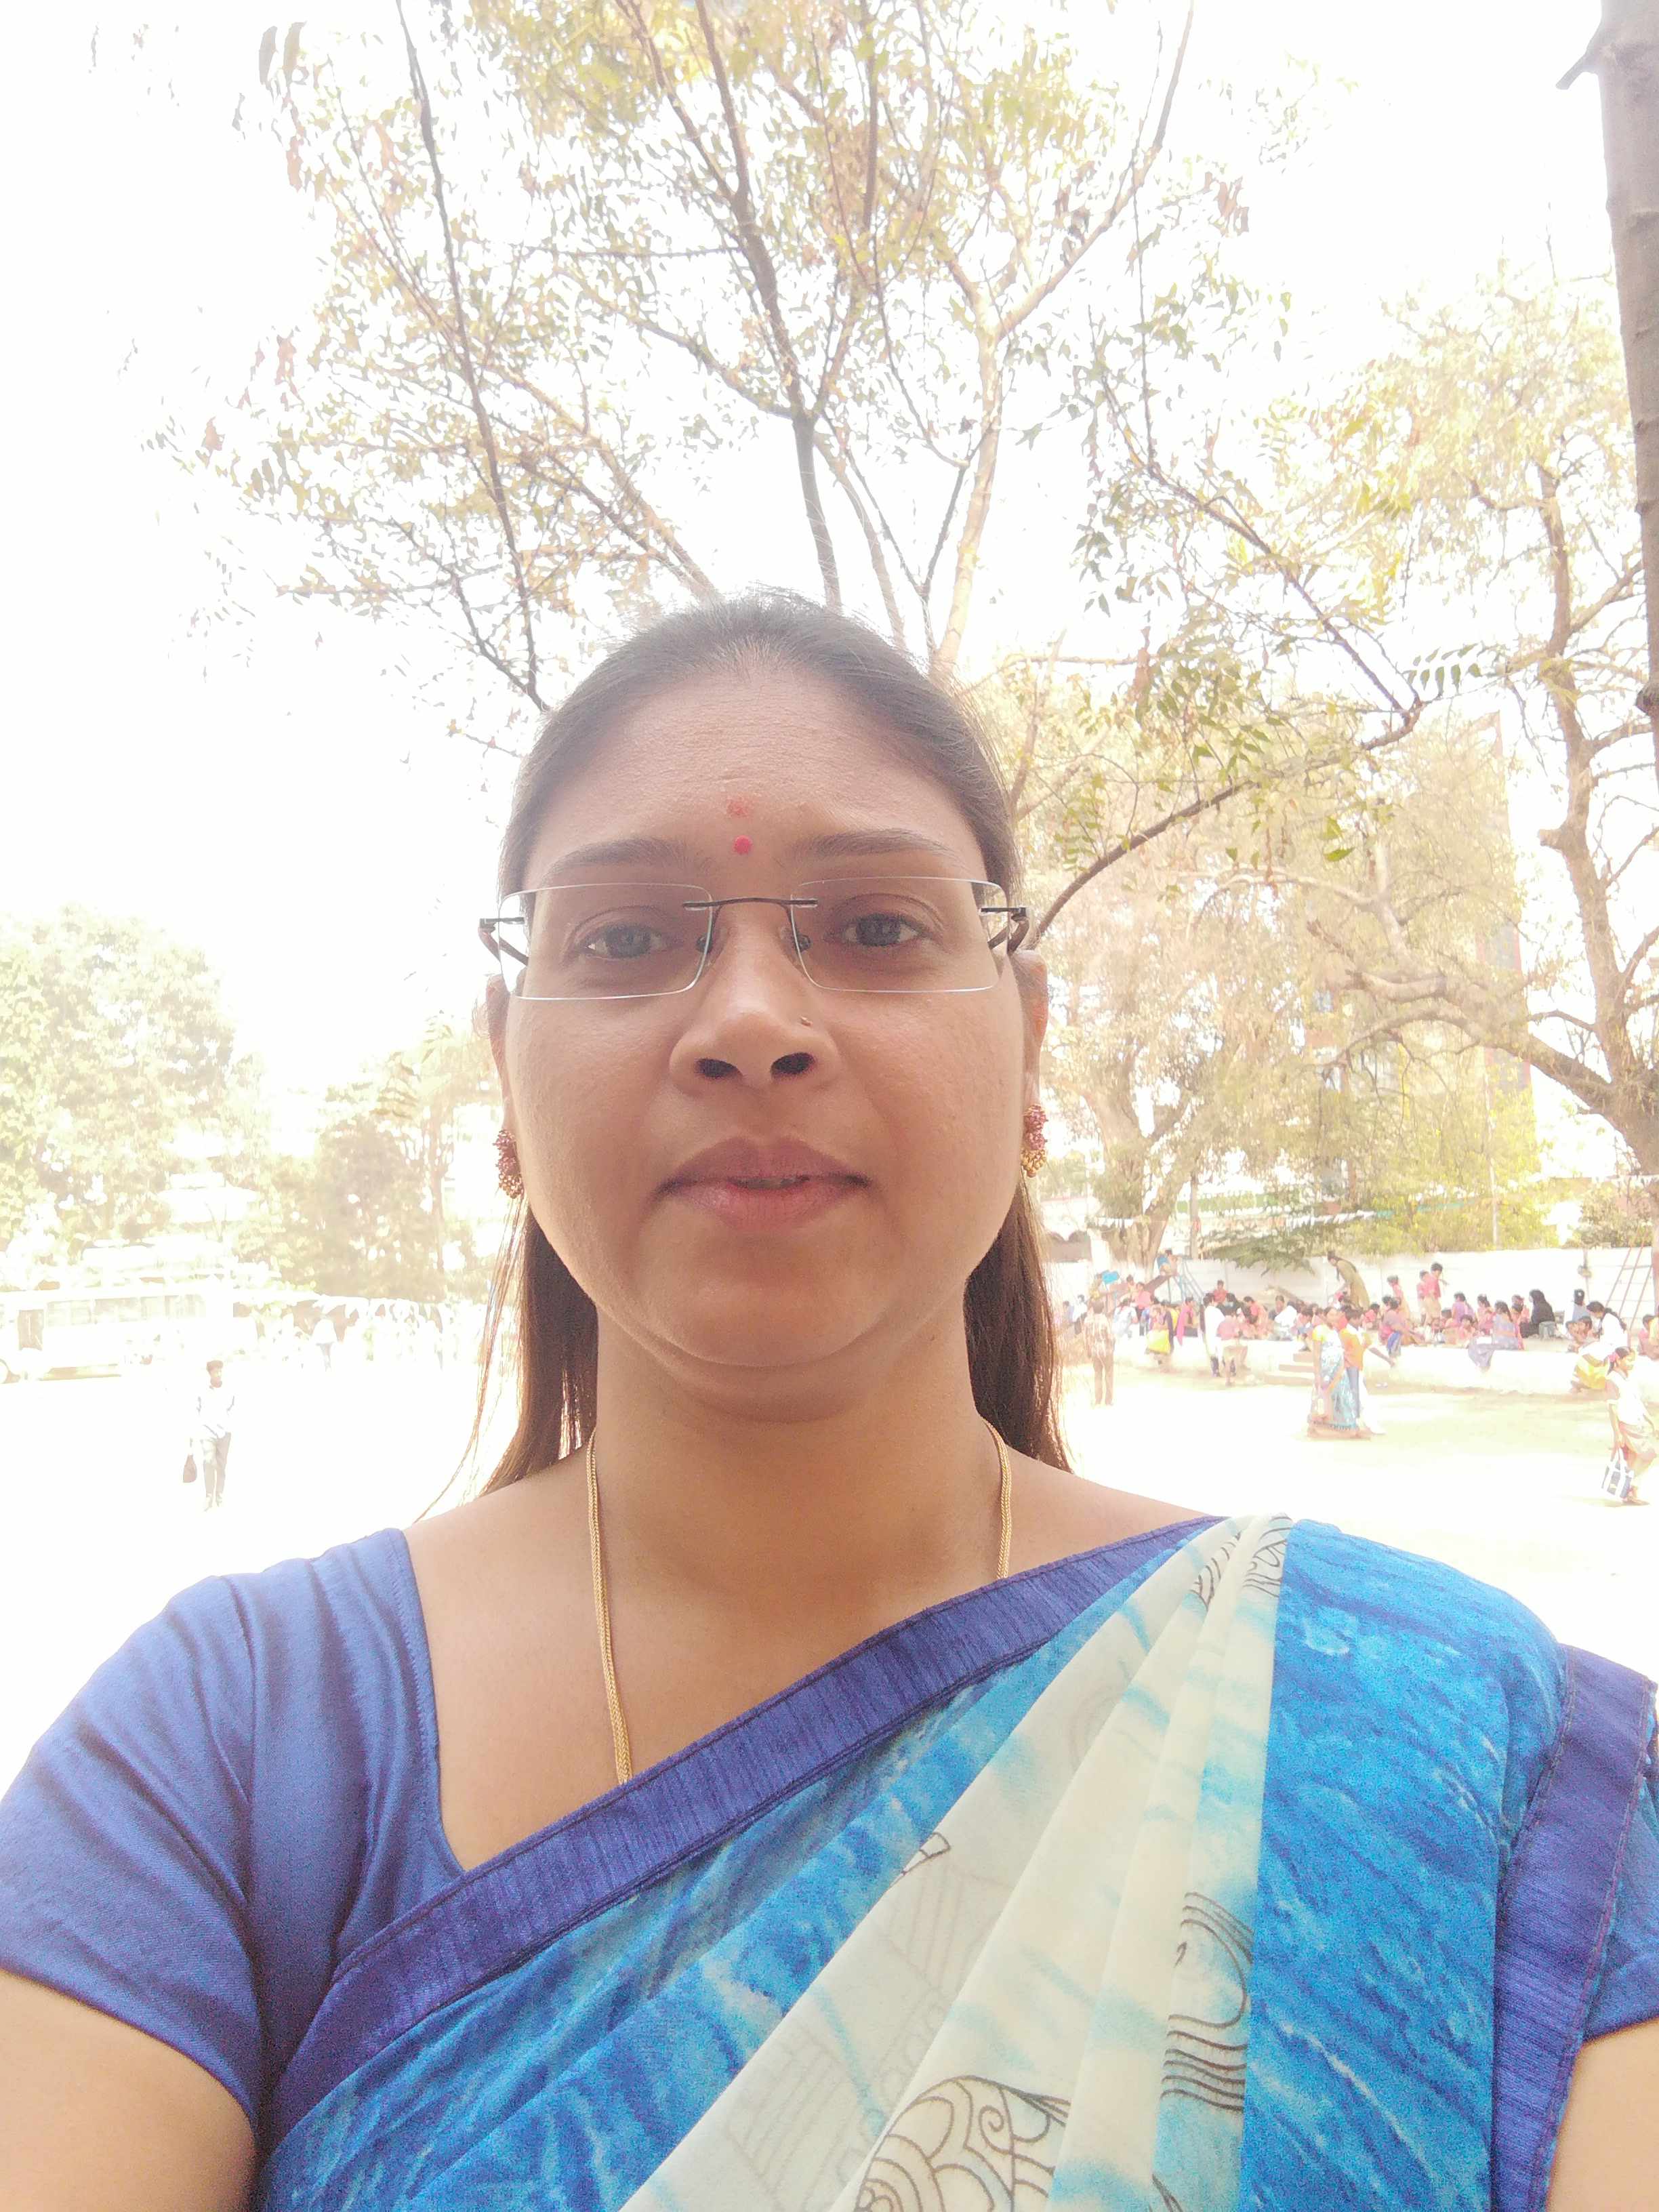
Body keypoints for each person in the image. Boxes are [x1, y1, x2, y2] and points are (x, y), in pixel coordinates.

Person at [1, 594, 1654, 2207]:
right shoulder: (223, 1757)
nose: (749, 1024)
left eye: (874, 928)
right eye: (626, 938)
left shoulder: (1479, 1759)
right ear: (504, 1066)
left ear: (1027, 1046)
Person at [1606, 1347, 1656, 1505]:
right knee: (1648, 1455)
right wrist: (1617, 1433)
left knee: (1634, 1458)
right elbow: (1612, 1408)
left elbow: (1637, 1402)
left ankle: (1631, 1493)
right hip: (1627, 1424)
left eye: (1633, 1360)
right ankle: (1631, 1486)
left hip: (1636, 1422)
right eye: (1629, 1360)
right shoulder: (1612, 1380)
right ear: (1618, 1360)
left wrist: (1650, 1420)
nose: (1632, 1363)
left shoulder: (1628, 1378)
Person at [190, 1360, 237, 1513]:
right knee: (208, 1462)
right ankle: (209, 1496)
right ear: (209, 1373)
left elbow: (234, 1408)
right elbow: (195, 1410)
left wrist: (229, 1425)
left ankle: (220, 1496)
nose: (219, 1374)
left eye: (220, 1371)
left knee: (222, 1466)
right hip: (207, 1433)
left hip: (224, 1433)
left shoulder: (229, 1390)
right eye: (216, 1371)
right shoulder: (202, 1390)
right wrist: (196, 1430)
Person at [1083, 1294, 1115, 1409]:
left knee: (1097, 1375)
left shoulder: (1087, 1320)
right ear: (1102, 1309)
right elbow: (1110, 1337)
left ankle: (1098, 1400)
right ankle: (1108, 1401)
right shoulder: (1105, 1320)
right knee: (1109, 1375)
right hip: (1106, 1351)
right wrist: (1112, 1347)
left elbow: (1085, 1338)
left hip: (1094, 1352)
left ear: (1093, 1309)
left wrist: (1088, 1351)